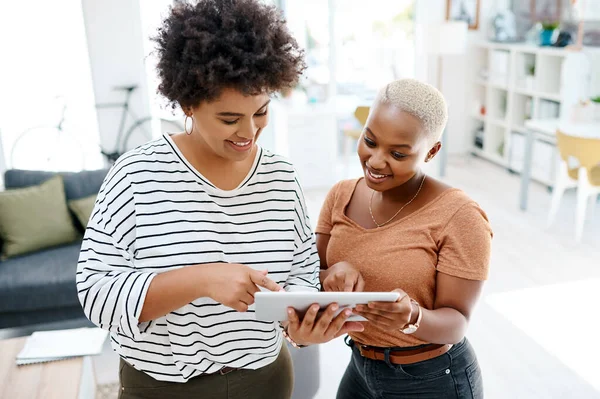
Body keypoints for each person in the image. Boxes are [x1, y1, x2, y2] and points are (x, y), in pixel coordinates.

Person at [76, 1, 360, 398]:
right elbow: (96, 293)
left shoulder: (280, 177)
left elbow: (300, 273)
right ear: (188, 103)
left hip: (266, 381)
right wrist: (204, 279)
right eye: (229, 119)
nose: (249, 132)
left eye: (260, 112)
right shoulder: (137, 174)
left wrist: (302, 325)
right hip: (160, 388)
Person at [316, 79, 492, 399]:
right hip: (360, 365)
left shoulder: (460, 216)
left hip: (432, 378)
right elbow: (309, 274)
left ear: (432, 151)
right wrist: (331, 273)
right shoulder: (341, 195)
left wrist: (413, 316)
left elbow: (457, 323)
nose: (376, 161)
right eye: (369, 141)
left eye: (397, 153)